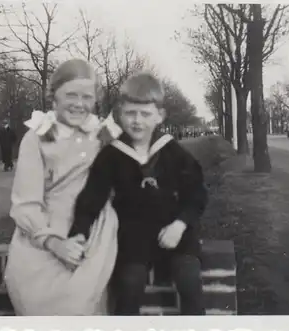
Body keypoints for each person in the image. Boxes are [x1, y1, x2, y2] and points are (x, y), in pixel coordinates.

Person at [68, 72, 208, 315]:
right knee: (129, 286)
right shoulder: (112, 155)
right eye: (131, 113)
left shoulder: (172, 151)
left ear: (159, 116)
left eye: (145, 114)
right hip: (134, 236)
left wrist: (180, 224)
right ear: (120, 114)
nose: (137, 121)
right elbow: (92, 197)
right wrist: (79, 233)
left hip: (174, 231)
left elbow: (197, 193)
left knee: (189, 281)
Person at [4, 59, 122, 316]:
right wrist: (54, 244)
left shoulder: (103, 135)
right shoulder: (36, 138)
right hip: (45, 238)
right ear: (53, 96)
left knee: (85, 308)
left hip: (93, 237)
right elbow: (26, 204)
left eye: (87, 97)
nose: (79, 104)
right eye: (71, 95)